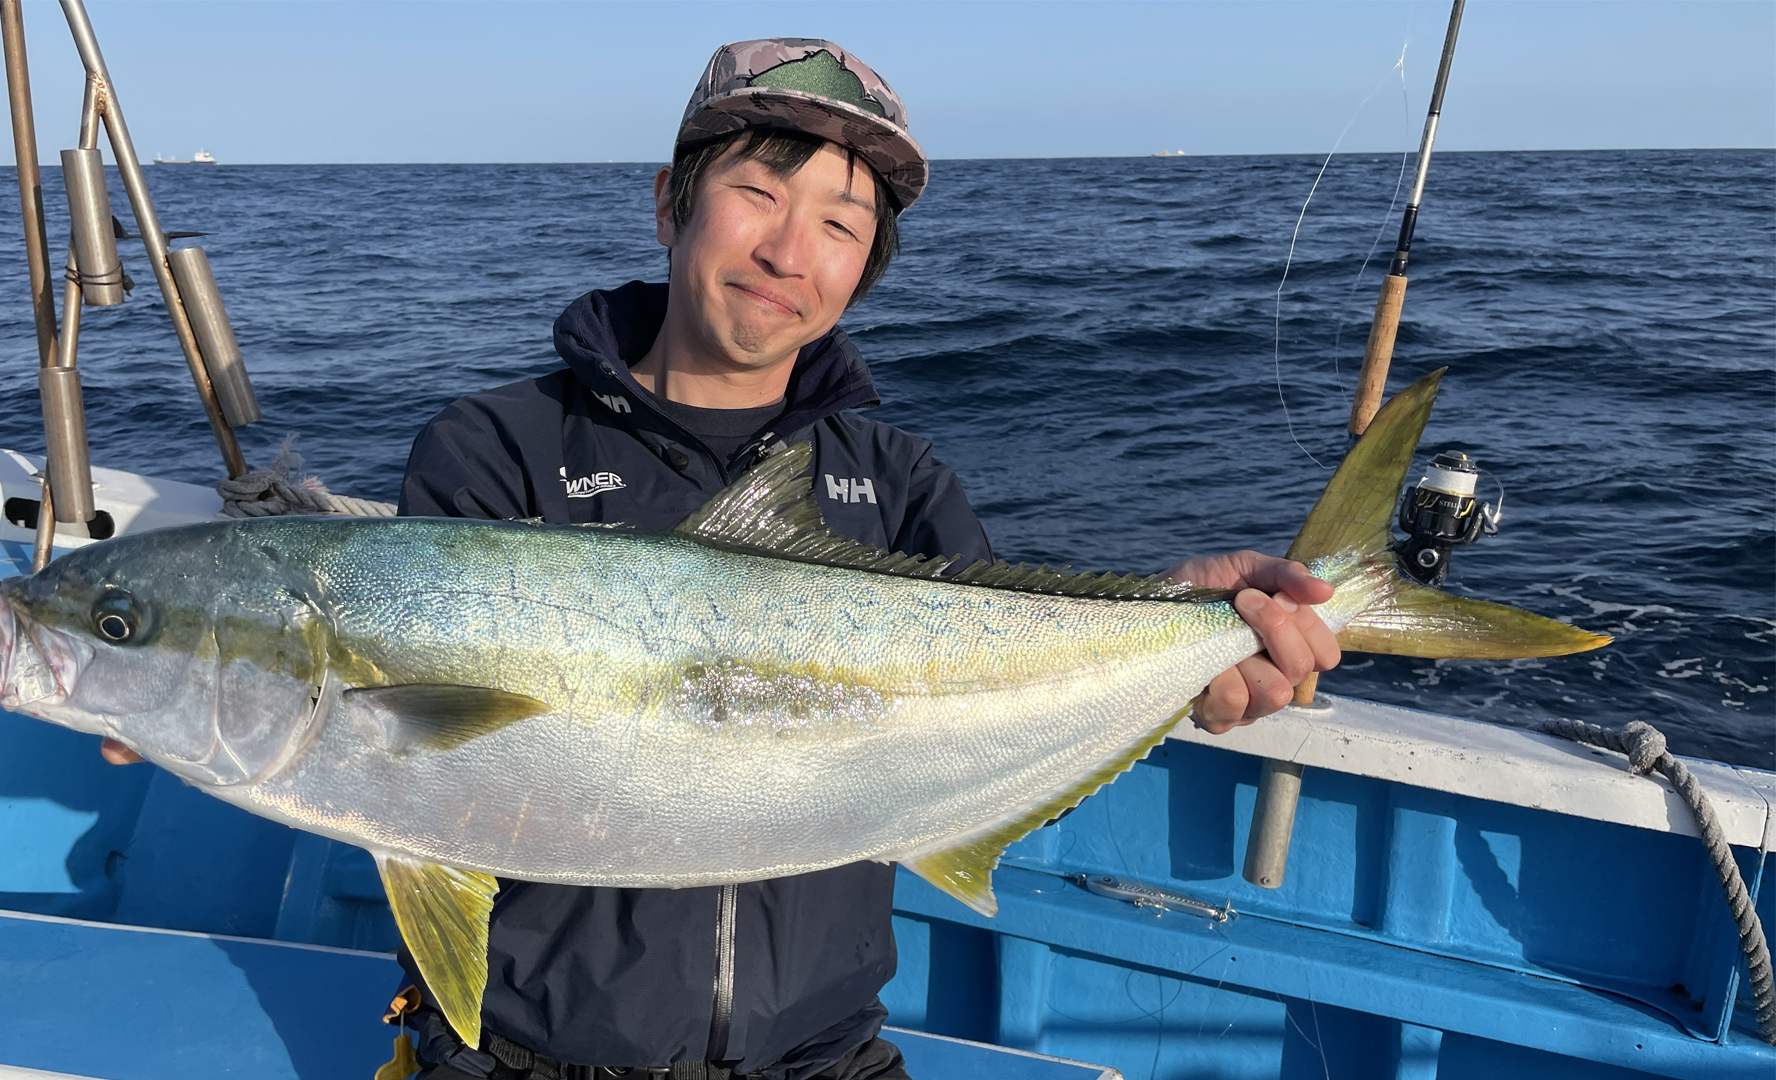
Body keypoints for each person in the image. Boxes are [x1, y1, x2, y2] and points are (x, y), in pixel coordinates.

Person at [107, 36, 1339, 1080]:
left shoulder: (900, 482)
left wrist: (1189, 638)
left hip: (827, 1055)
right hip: (526, 1054)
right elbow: (412, 760)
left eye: (842, 224)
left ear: (866, 267)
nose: (789, 250)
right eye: (759, 191)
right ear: (670, 200)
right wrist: (182, 700)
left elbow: (1009, 679)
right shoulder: (497, 446)